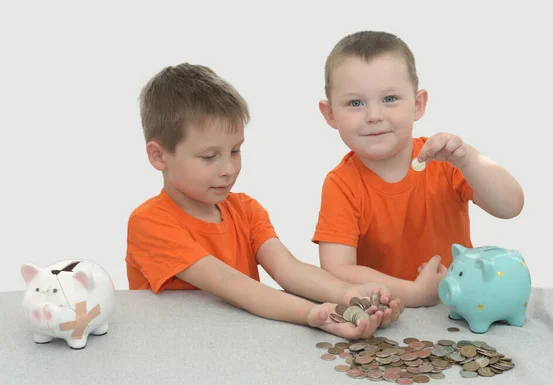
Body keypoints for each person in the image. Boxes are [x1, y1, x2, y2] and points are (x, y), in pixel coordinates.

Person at [125, 63, 403, 340]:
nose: (228, 169)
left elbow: (288, 269)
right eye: (209, 157)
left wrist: (350, 294)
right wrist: (311, 314)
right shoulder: (150, 222)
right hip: (174, 350)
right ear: (159, 156)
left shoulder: (245, 210)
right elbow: (228, 283)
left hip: (244, 346)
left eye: (235, 151)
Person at [312, 31, 525, 308]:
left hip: (459, 309)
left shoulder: (445, 161)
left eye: (389, 99)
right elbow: (336, 269)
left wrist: (467, 159)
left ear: (418, 104)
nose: (374, 115)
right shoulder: (341, 184)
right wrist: (413, 292)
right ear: (330, 115)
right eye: (356, 103)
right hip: (387, 315)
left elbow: (511, 206)